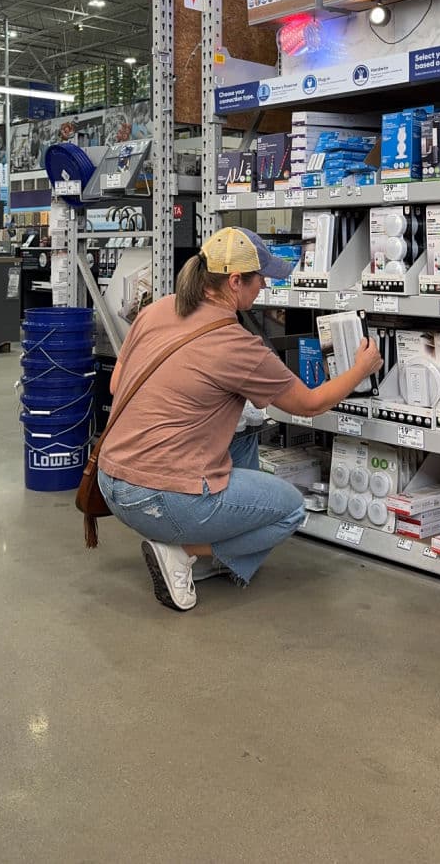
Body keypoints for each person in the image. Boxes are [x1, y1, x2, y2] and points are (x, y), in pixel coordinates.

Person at [97, 227, 382, 612]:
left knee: (245, 431)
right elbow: (310, 404)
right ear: (234, 281)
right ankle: (183, 551)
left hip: (111, 479)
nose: (263, 286)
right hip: (156, 498)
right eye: (259, 277)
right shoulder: (238, 346)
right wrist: (361, 368)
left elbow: (118, 384)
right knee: (289, 509)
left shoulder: (157, 309)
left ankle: (202, 545)